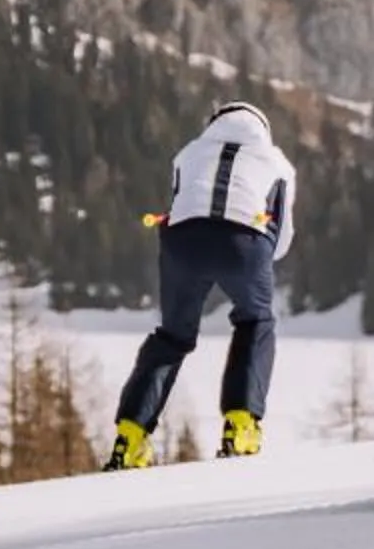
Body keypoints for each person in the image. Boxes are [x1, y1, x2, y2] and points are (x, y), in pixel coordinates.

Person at [103, 101, 296, 469]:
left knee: (172, 336)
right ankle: (240, 426)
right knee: (255, 321)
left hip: (182, 241)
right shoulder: (276, 162)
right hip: (245, 241)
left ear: (215, 123)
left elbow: (183, 199)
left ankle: (130, 438)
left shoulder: (188, 153)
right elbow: (282, 234)